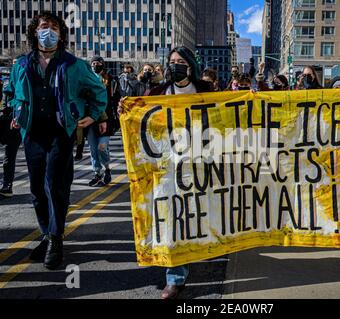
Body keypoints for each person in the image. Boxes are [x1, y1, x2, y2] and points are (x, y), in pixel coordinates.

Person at [5, 12, 107, 269]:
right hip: (32, 134)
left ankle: (56, 239)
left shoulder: (75, 65)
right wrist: (17, 111)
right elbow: (10, 92)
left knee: (55, 185)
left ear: (61, 34)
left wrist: (92, 115)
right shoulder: (21, 64)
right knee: (37, 189)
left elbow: (98, 91)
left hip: (61, 133)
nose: (47, 31)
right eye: (43, 26)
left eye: (53, 27)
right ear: (34, 32)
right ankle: (46, 233)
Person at [119, 46, 213, 299]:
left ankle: (200, 250)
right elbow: (144, 122)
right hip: (168, 166)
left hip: (199, 163)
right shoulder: (158, 92)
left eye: (181, 61)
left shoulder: (206, 91)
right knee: (173, 217)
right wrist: (127, 111)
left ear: (191, 66)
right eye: (172, 61)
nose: (175, 65)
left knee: (195, 214)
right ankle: (175, 277)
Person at [87, 55, 120, 187]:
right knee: (93, 149)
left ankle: (107, 168)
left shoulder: (111, 81)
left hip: (106, 119)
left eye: (98, 63)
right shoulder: (87, 80)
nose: (95, 65)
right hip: (90, 119)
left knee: (102, 147)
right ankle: (97, 173)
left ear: (102, 64)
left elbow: (117, 98)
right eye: (93, 63)